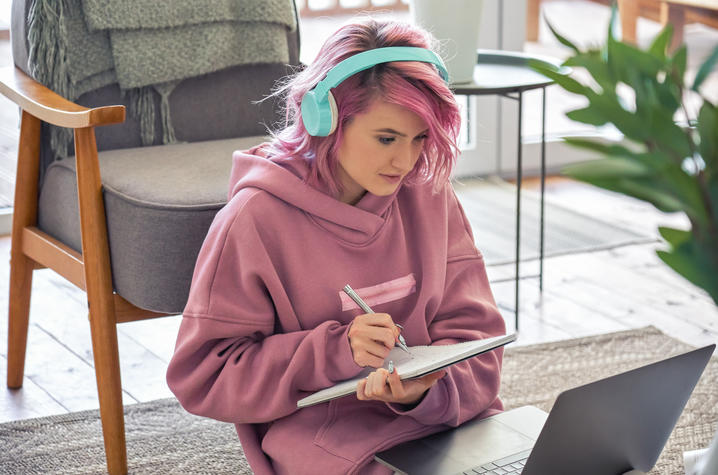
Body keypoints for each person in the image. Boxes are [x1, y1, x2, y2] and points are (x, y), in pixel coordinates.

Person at [166, 18, 506, 475]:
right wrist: (334, 352)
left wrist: (423, 391)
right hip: (330, 441)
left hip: (448, 419)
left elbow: (478, 342)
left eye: (419, 138)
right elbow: (205, 378)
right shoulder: (254, 220)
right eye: (386, 138)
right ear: (324, 118)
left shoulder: (429, 193)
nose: (405, 161)